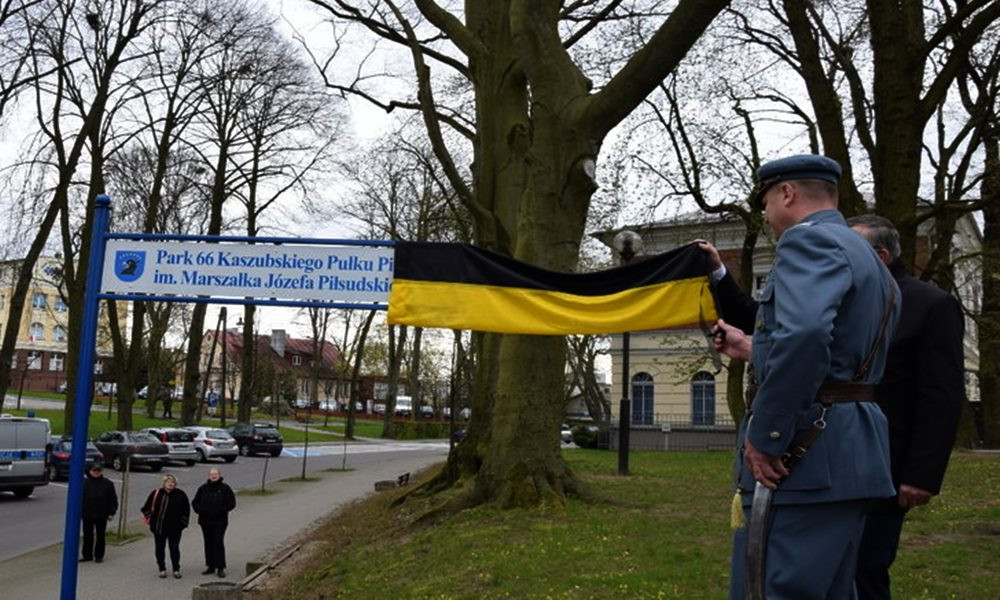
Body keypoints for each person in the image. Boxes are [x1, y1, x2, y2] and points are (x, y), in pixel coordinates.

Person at [710, 154, 900, 599]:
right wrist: (753, 347)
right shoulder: (870, 257)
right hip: (851, 451)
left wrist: (768, 435)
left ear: (787, 193)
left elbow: (807, 335)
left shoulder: (807, 240)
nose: (766, 216)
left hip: (805, 455)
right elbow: (840, 353)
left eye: (765, 204)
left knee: (774, 589)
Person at [847, 214, 965, 599]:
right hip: (836, 461)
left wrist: (922, 475)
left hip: (888, 465)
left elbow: (941, 396)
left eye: (847, 250)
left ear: (880, 256)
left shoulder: (931, 305)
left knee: (865, 571)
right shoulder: (845, 303)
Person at [141, 473, 190, 579]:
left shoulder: (181, 494)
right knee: (159, 548)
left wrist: (183, 523)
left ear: (175, 484)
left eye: (172, 482)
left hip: (175, 528)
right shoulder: (156, 493)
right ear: (164, 483)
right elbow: (146, 508)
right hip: (159, 527)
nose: (170, 484)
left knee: (174, 548)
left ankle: (176, 569)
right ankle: (162, 569)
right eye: (168, 482)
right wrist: (152, 520)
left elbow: (186, 510)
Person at [192, 467, 237, 578]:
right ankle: (210, 566)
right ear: (209, 476)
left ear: (219, 475)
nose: (213, 476)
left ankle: (220, 567)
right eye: (212, 474)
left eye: (215, 474)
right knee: (208, 543)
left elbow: (232, 503)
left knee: (218, 542)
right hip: (205, 521)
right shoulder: (203, 488)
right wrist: (200, 510)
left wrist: (222, 510)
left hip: (220, 521)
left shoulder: (225, 488)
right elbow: (195, 502)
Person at [80, 463, 118, 564]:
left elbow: (113, 499)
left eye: (98, 471)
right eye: (94, 470)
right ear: (90, 471)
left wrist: (112, 512)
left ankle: (99, 555)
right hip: (87, 514)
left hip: (102, 514)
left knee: (100, 536)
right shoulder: (84, 483)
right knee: (87, 535)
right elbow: (79, 499)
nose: (96, 472)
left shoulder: (108, 484)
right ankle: (87, 555)